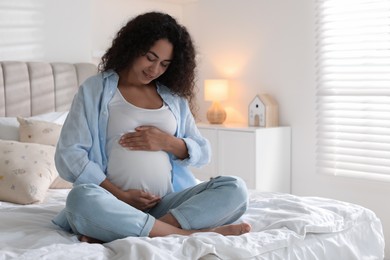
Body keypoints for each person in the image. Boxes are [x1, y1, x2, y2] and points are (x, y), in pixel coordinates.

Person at [52, 11, 251, 243]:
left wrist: (168, 142)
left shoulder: (173, 99)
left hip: (168, 205)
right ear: (133, 46)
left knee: (235, 188)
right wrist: (122, 197)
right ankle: (187, 234)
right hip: (112, 201)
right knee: (80, 199)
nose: (155, 69)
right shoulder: (95, 89)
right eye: (150, 57)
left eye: (164, 64)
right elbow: (69, 154)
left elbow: (202, 153)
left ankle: (127, 229)